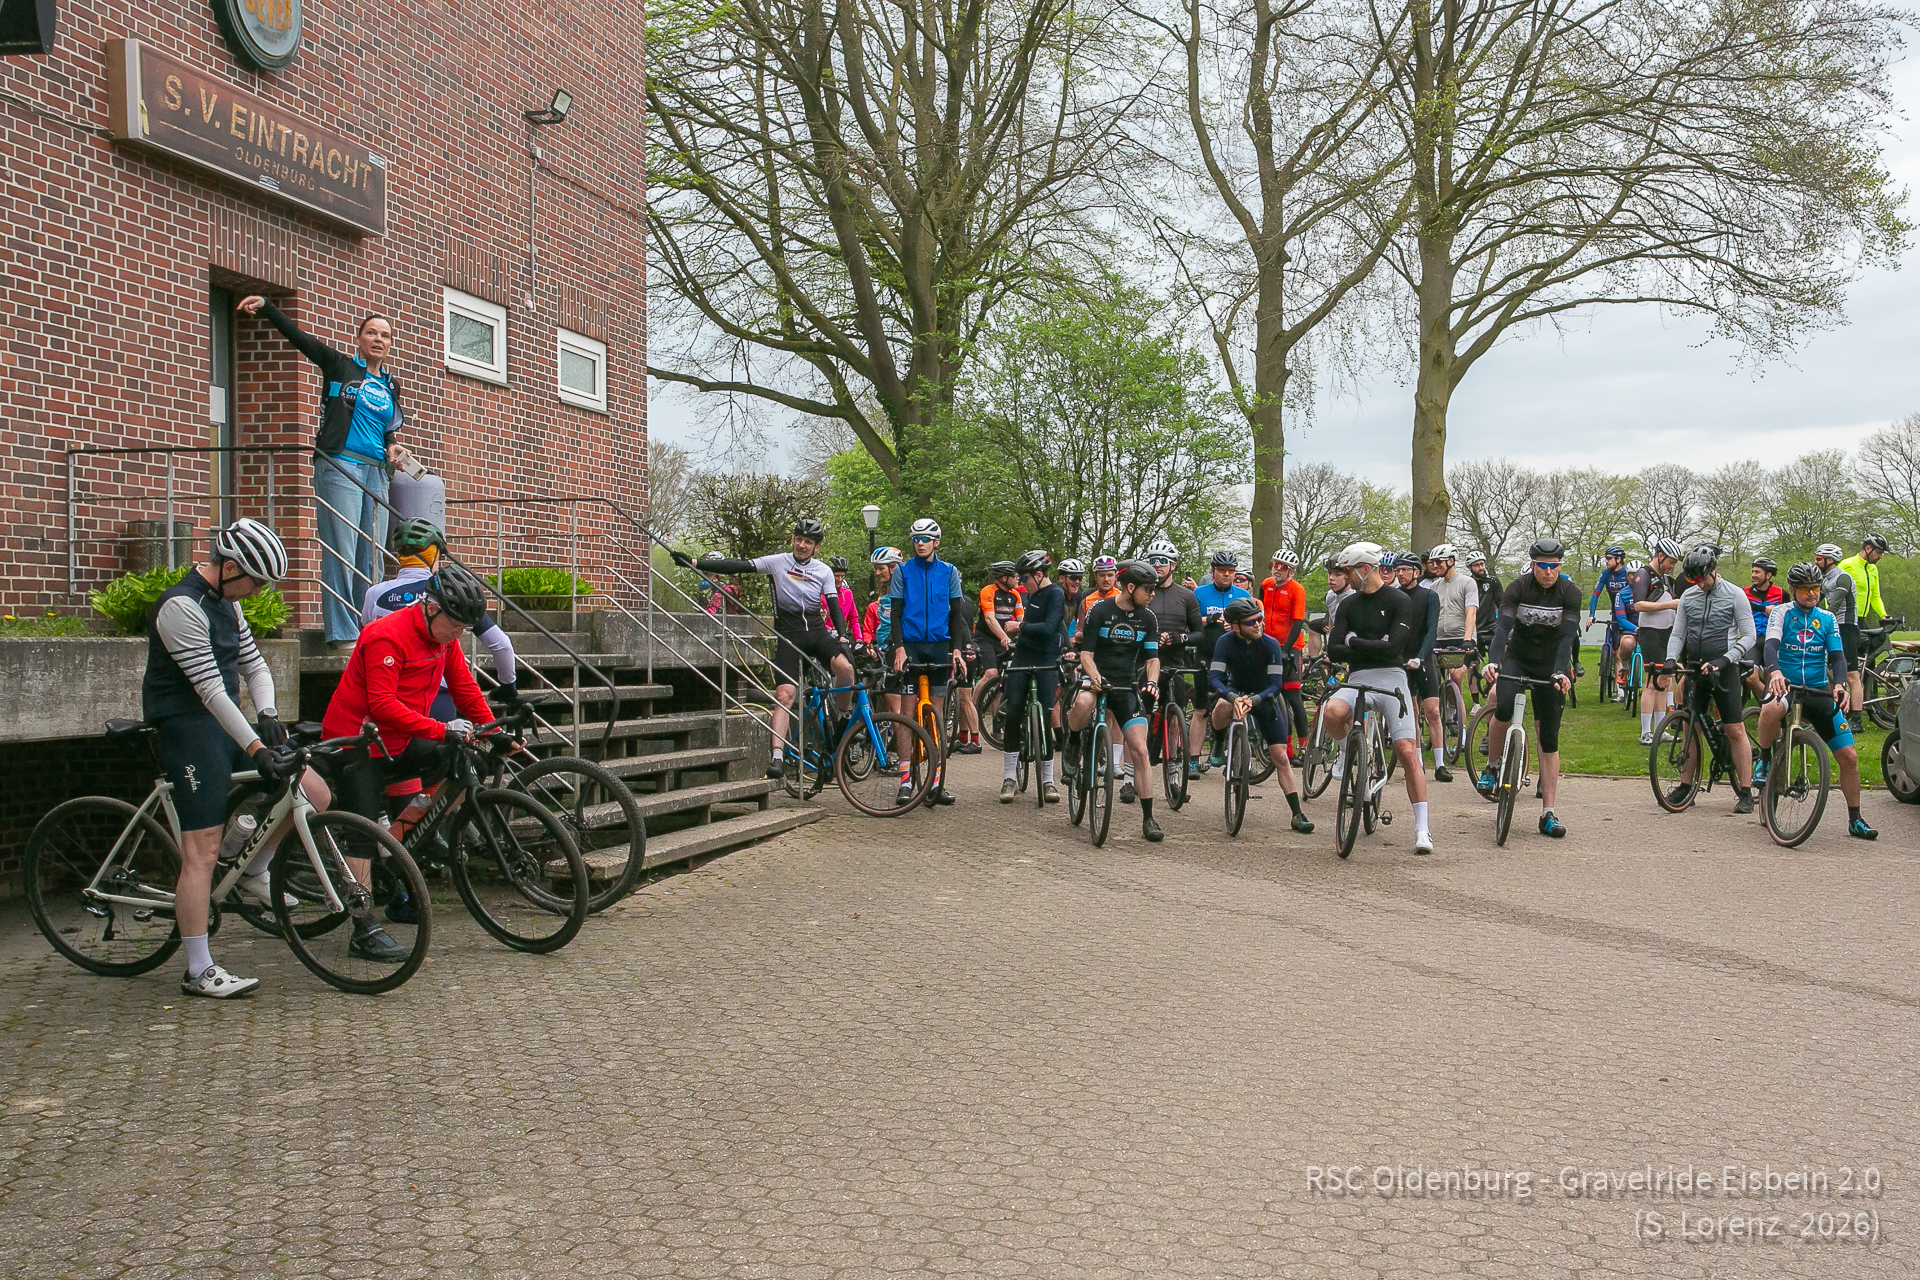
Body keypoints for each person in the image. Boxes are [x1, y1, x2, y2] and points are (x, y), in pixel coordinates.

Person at [144, 520, 327, 997]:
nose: (259, 590)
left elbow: (254, 665)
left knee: (313, 791)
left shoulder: (230, 602)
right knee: (201, 852)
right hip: (186, 727)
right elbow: (209, 690)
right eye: (256, 581)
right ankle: (198, 970)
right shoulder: (180, 607)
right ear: (229, 569)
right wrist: (256, 748)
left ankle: (252, 870)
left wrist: (268, 714)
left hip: (222, 722)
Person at [322, 565, 495, 936]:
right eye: (455, 625)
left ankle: (405, 839)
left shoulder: (443, 639)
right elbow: (382, 705)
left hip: (398, 739)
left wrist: (493, 731)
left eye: (464, 628)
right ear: (431, 609)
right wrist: (441, 729)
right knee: (362, 834)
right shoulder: (386, 635)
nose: (459, 634)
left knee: (467, 761)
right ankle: (363, 929)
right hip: (357, 742)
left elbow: (464, 687)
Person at [237, 294, 405, 650]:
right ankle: (343, 633)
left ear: (390, 344)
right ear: (359, 338)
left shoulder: (391, 384)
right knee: (342, 548)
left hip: (376, 471)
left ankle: (369, 627)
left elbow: (385, 427)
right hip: (340, 463)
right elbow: (301, 339)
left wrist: (392, 445)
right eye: (371, 333)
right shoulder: (339, 365)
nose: (378, 339)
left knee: (372, 554)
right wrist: (268, 306)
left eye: (385, 335)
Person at [671, 520, 853, 780]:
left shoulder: (823, 570)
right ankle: (777, 758)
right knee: (785, 696)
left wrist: (843, 637)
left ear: (816, 547)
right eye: (798, 539)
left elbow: (834, 607)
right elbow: (738, 566)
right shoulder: (777, 562)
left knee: (846, 670)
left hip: (817, 634)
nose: (802, 545)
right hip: (789, 637)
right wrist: (694, 562)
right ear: (793, 540)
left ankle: (844, 717)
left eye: (808, 542)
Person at [1321, 542, 1432, 854]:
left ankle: (1422, 828)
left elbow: (1395, 647)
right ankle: (1349, 750)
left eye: (1347, 571)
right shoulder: (1348, 604)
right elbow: (1334, 650)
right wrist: (1370, 644)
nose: (1345, 577)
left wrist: (1353, 641)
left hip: (1392, 677)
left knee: (1407, 750)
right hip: (1358, 677)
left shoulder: (1399, 600)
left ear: (1364, 569)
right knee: (1332, 711)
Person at [1755, 563, 1877, 839]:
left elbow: (1837, 656)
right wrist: (1775, 672)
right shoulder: (1782, 613)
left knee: (1849, 756)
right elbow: (1771, 646)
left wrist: (1840, 685)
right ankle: (1764, 758)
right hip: (1786, 684)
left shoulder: (1827, 617)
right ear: (1792, 590)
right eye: (1805, 589)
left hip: (1818, 688)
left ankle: (1855, 818)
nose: (1812, 594)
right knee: (1770, 708)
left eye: (1816, 588)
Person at [1475, 539, 1581, 837]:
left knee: (1549, 737)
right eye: (1543, 566)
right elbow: (1502, 629)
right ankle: (1492, 766)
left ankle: (1548, 812)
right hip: (1518, 658)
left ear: (1560, 566)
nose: (1548, 572)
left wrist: (1560, 671)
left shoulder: (1570, 592)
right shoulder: (1517, 588)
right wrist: (1493, 662)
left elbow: (1567, 638)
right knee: (1503, 707)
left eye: (1554, 566)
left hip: (1550, 663)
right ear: (1533, 565)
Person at [362, 518, 521, 714]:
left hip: (387, 694)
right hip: (436, 694)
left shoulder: (374, 594)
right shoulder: (449, 593)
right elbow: (501, 644)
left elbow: (365, 641)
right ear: (434, 555)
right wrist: (508, 685)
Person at [1067, 561, 1165, 842]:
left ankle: (1148, 818)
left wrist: (1152, 682)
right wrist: (1095, 676)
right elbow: (1086, 654)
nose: (1153, 594)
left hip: (1125, 686)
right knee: (1082, 703)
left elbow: (1153, 659)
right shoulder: (1100, 610)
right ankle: (1073, 740)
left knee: (1141, 750)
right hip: (1097, 679)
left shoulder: (1147, 618)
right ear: (1130, 587)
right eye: (1148, 589)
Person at [1663, 546, 1759, 815]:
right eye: (1693, 579)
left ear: (1714, 570)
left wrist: (1726, 660)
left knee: (1734, 729)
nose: (1699, 583)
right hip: (1696, 668)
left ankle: (1745, 791)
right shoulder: (1688, 597)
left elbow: (1749, 635)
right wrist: (1670, 659)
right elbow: (1678, 634)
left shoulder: (1735, 595)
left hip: (1724, 669)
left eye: (1702, 578)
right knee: (1689, 726)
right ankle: (1686, 786)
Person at [1208, 597, 1314, 833]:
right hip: (1235, 692)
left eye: (1260, 619)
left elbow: (1276, 685)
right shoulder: (1225, 642)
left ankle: (1297, 814)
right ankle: (1218, 741)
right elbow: (1214, 679)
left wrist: (1254, 700)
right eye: (1251, 622)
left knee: (1281, 757)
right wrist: (1233, 697)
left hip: (1263, 697)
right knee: (1221, 706)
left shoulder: (1270, 644)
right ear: (1236, 627)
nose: (1258, 624)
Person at [885, 518, 968, 805]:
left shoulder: (949, 572)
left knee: (936, 716)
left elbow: (956, 615)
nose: (919, 543)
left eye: (925, 539)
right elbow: (896, 613)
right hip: (911, 646)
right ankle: (905, 781)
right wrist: (899, 648)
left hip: (939, 646)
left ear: (936, 542)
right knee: (907, 716)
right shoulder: (902, 571)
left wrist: (957, 651)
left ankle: (936, 781)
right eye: (915, 539)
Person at [998, 551, 1067, 804]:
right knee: (1014, 711)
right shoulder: (1032, 595)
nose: (1021, 582)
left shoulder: (1055, 594)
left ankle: (1048, 781)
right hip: (1023, 657)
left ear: (1039, 575)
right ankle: (1009, 778)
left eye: (1025, 578)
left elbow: (1050, 628)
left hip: (1046, 659)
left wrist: (1020, 626)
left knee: (1046, 717)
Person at [1142, 540, 1202, 800]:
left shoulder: (1187, 596)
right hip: (1145, 663)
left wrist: (1179, 638)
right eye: (1152, 561)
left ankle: (1175, 778)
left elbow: (1199, 632)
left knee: (1175, 721)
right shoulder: (1143, 592)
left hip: (1175, 664)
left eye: (1163, 561)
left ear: (1173, 565)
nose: (1157, 565)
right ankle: (1132, 777)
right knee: (1141, 717)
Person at [1191, 551, 1252, 772]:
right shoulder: (1199, 593)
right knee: (1201, 710)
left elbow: (1253, 624)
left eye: (1230, 571)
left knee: (1239, 705)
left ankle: (1242, 759)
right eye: (1222, 570)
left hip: (1235, 658)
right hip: (1206, 656)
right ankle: (1193, 760)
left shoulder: (1242, 595)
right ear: (1213, 571)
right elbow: (1191, 623)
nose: (1227, 574)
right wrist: (1210, 619)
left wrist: (1237, 626)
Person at [1389, 553, 1446, 780]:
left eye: (1405, 569)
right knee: (1411, 712)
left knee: (1432, 711)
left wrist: (1421, 657)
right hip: (1402, 659)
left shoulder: (1429, 596)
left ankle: (1440, 764)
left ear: (1416, 572)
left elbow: (1432, 630)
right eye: (1398, 570)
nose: (1400, 574)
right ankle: (1418, 763)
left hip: (1423, 658)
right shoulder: (1394, 597)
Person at [1626, 539, 1683, 744]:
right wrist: (1670, 605)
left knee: (1664, 681)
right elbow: (1639, 605)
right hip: (1651, 633)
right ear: (1660, 556)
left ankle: (1660, 729)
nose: (1672, 566)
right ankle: (1645, 732)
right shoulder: (1644, 574)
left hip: (1667, 632)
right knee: (1652, 682)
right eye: (1670, 561)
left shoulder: (1665, 578)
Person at [1259, 552, 1311, 757]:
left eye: (1283, 567)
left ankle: (1304, 746)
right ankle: (1285, 746)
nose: (1277, 569)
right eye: (1275, 565)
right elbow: (1260, 612)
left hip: (1291, 646)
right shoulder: (1266, 585)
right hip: (1269, 644)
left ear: (1291, 571)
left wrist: (1287, 649)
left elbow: (1298, 622)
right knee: (1273, 696)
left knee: (1294, 698)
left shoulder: (1297, 589)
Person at [1423, 543, 1479, 728]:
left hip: (1462, 638)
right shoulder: (1434, 586)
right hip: (1440, 639)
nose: (1434, 566)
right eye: (1432, 562)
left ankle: (1459, 723)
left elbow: (1471, 612)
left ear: (1451, 561)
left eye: (1438, 562)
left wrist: (1467, 640)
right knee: (1437, 681)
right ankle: (1444, 712)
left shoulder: (1467, 583)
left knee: (1456, 676)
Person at [1838, 535, 1890, 731]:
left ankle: (1870, 705)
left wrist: (1883, 614)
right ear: (1868, 548)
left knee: (1870, 661)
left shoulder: (1873, 569)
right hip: (1846, 619)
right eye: (1878, 552)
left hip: (1862, 619)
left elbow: (1875, 596)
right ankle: (1848, 707)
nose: (1880, 557)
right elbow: (1834, 593)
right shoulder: (1847, 565)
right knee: (1846, 663)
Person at [1814, 542, 1862, 723]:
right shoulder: (1825, 579)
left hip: (1846, 627)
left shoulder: (1843, 578)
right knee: (1830, 672)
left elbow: (1833, 605)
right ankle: (1838, 712)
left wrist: (1819, 622)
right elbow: (1816, 601)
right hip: (1833, 625)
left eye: (1819, 558)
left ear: (1830, 560)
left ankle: (1857, 719)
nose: (1816, 562)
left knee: (1851, 675)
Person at [1743, 557, 1784, 701]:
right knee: (1750, 677)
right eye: (1753, 571)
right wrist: (1764, 609)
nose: (1753, 575)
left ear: (1768, 575)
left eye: (1757, 572)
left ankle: (1768, 708)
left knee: (1770, 678)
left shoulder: (1781, 593)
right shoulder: (1745, 592)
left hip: (1772, 639)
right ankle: (1769, 703)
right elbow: (1743, 605)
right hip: (1752, 640)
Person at [824, 556, 866, 645]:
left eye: (842, 576)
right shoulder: (820, 595)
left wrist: (858, 639)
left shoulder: (847, 594)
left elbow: (853, 619)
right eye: (836, 576)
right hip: (823, 636)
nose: (839, 579)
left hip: (841, 637)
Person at [1467, 552, 1500, 660]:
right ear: (1469, 567)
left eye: (1482, 564)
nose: (1481, 568)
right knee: (1473, 661)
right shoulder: (1467, 584)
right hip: (1473, 628)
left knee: (1499, 656)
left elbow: (1502, 604)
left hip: (1491, 626)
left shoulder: (1493, 582)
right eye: (1476, 565)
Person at [1057, 559, 1086, 647]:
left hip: (1063, 638)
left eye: (1079, 578)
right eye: (1073, 577)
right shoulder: (1055, 594)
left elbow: (1080, 620)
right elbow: (1059, 623)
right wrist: (1068, 646)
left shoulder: (1078, 595)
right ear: (1061, 578)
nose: (1077, 582)